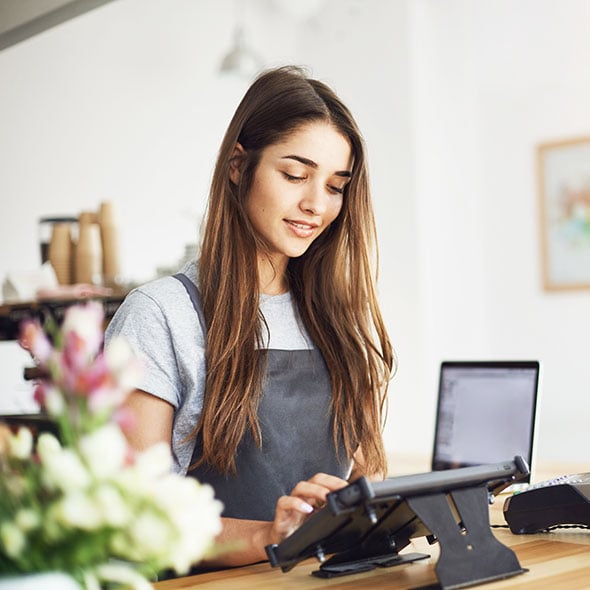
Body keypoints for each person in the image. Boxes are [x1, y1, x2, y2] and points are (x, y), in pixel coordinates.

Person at [105, 65, 394, 568]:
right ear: (239, 166)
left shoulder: (337, 319)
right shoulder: (160, 316)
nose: (316, 205)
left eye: (335, 186)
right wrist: (272, 534)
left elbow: (364, 476)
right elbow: (137, 518)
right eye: (295, 175)